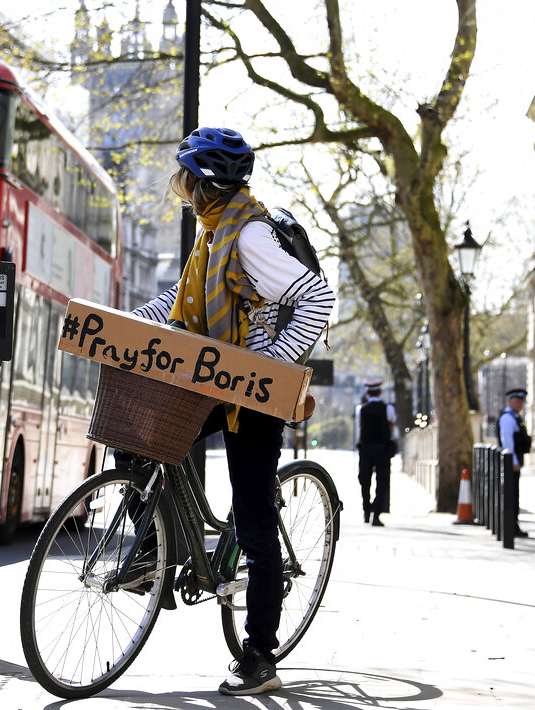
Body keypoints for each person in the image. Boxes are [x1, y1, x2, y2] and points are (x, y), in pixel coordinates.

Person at [129, 127, 335, 696]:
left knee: (254, 517)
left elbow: (316, 296)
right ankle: (154, 552)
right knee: (141, 429)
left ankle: (260, 655)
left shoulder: (248, 238)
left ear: (202, 184)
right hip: (216, 380)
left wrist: (268, 363)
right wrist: (121, 323)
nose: (177, 185)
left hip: (256, 395)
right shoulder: (213, 234)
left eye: (183, 177)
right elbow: (180, 302)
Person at [354, 380, 397, 527]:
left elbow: (360, 426)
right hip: (382, 448)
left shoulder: (361, 409)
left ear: (367, 393)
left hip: (365, 448)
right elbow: (392, 426)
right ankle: (376, 515)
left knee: (365, 480)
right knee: (382, 482)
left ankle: (366, 510)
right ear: (380, 392)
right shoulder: (388, 408)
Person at [497, 388, 531, 537]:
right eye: (517, 401)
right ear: (510, 401)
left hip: (513, 461)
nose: (519, 404)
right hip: (511, 463)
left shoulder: (515, 417)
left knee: (514, 495)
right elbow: (507, 442)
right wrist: (514, 461)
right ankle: (510, 527)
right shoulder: (508, 418)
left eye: (521, 401)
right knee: (511, 495)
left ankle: (512, 525)